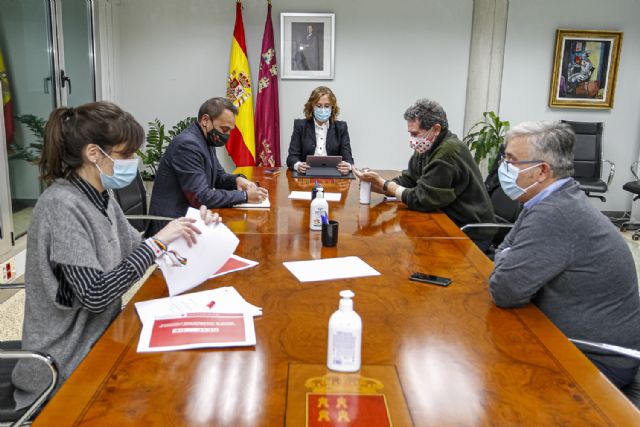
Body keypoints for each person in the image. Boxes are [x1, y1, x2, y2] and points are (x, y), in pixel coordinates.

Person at [10, 102, 220, 410]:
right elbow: (96, 294)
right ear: (94, 153)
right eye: (126, 154)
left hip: (102, 336)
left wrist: (191, 229)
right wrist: (157, 245)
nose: (134, 162)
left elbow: (135, 248)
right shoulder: (62, 206)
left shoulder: (99, 194)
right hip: (66, 360)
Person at [488, 121, 640, 389]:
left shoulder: (555, 213)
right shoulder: (546, 200)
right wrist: (509, 259)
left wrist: (509, 260)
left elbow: (504, 289)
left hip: (595, 357)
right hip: (570, 336)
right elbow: (503, 251)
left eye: (511, 160)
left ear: (542, 171)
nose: (503, 167)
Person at [354, 98, 493, 229]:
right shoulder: (428, 145)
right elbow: (410, 180)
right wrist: (380, 186)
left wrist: (385, 184)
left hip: (466, 229)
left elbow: (421, 199)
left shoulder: (448, 152)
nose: (412, 140)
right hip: (444, 218)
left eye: (415, 134)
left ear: (436, 129)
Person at [148, 97, 267, 235]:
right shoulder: (187, 145)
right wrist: (245, 196)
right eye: (224, 129)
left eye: (230, 130)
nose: (227, 135)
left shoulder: (206, 140)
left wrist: (237, 180)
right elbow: (202, 197)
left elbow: (219, 176)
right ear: (205, 120)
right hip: (171, 225)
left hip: (191, 218)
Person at [286, 86, 354, 175]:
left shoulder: (341, 127)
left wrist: (348, 166)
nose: (323, 110)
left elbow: (348, 158)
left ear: (332, 107)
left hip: (334, 176)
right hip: (305, 176)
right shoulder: (300, 126)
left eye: (327, 106)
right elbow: (291, 158)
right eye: (318, 106)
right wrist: (298, 165)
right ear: (312, 106)